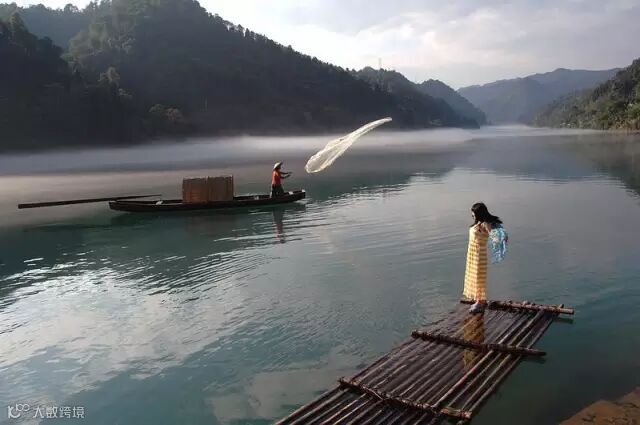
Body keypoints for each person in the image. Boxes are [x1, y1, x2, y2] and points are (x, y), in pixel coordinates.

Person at [463, 202, 503, 314]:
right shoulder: (478, 223)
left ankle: (481, 302)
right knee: (472, 276)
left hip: (479, 254)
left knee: (478, 277)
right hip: (472, 253)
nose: (472, 215)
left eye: (473, 213)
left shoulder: (486, 223)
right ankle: (478, 299)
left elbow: (494, 237)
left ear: (479, 213)